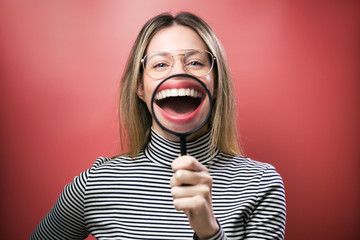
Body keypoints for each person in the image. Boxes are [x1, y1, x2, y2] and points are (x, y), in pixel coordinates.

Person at [30, 12, 286, 240]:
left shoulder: (260, 183)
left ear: (216, 84)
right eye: (160, 64)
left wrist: (209, 231)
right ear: (140, 88)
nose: (178, 73)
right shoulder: (97, 184)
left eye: (195, 62)